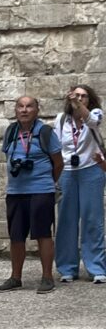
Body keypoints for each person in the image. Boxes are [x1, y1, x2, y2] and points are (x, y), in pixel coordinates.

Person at [0, 95, 63, 294]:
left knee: (43, 234)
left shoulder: (45, 132)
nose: (24, 110)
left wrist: (47, 182)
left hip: (41, 190)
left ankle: (47, 278)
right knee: (16, 235)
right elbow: (8, 157)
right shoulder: (11, 131)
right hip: (16, 192)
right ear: (16, 110)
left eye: (29, 106)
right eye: (20, 106)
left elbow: (58, 163)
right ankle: (15, 277)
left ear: (37, 110)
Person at [53, 84, 106, 284]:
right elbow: (57, 146)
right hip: (67, 172)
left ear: (89, 100)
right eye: (76, 95)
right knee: (66, 220)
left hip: (91, 170)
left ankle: (96, 267)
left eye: (84, 96)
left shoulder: (96, 113)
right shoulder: (61, 119)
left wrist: (78, 105)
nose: (80, 98)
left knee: (93, 219)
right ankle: (67, 268)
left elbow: (92, 121)